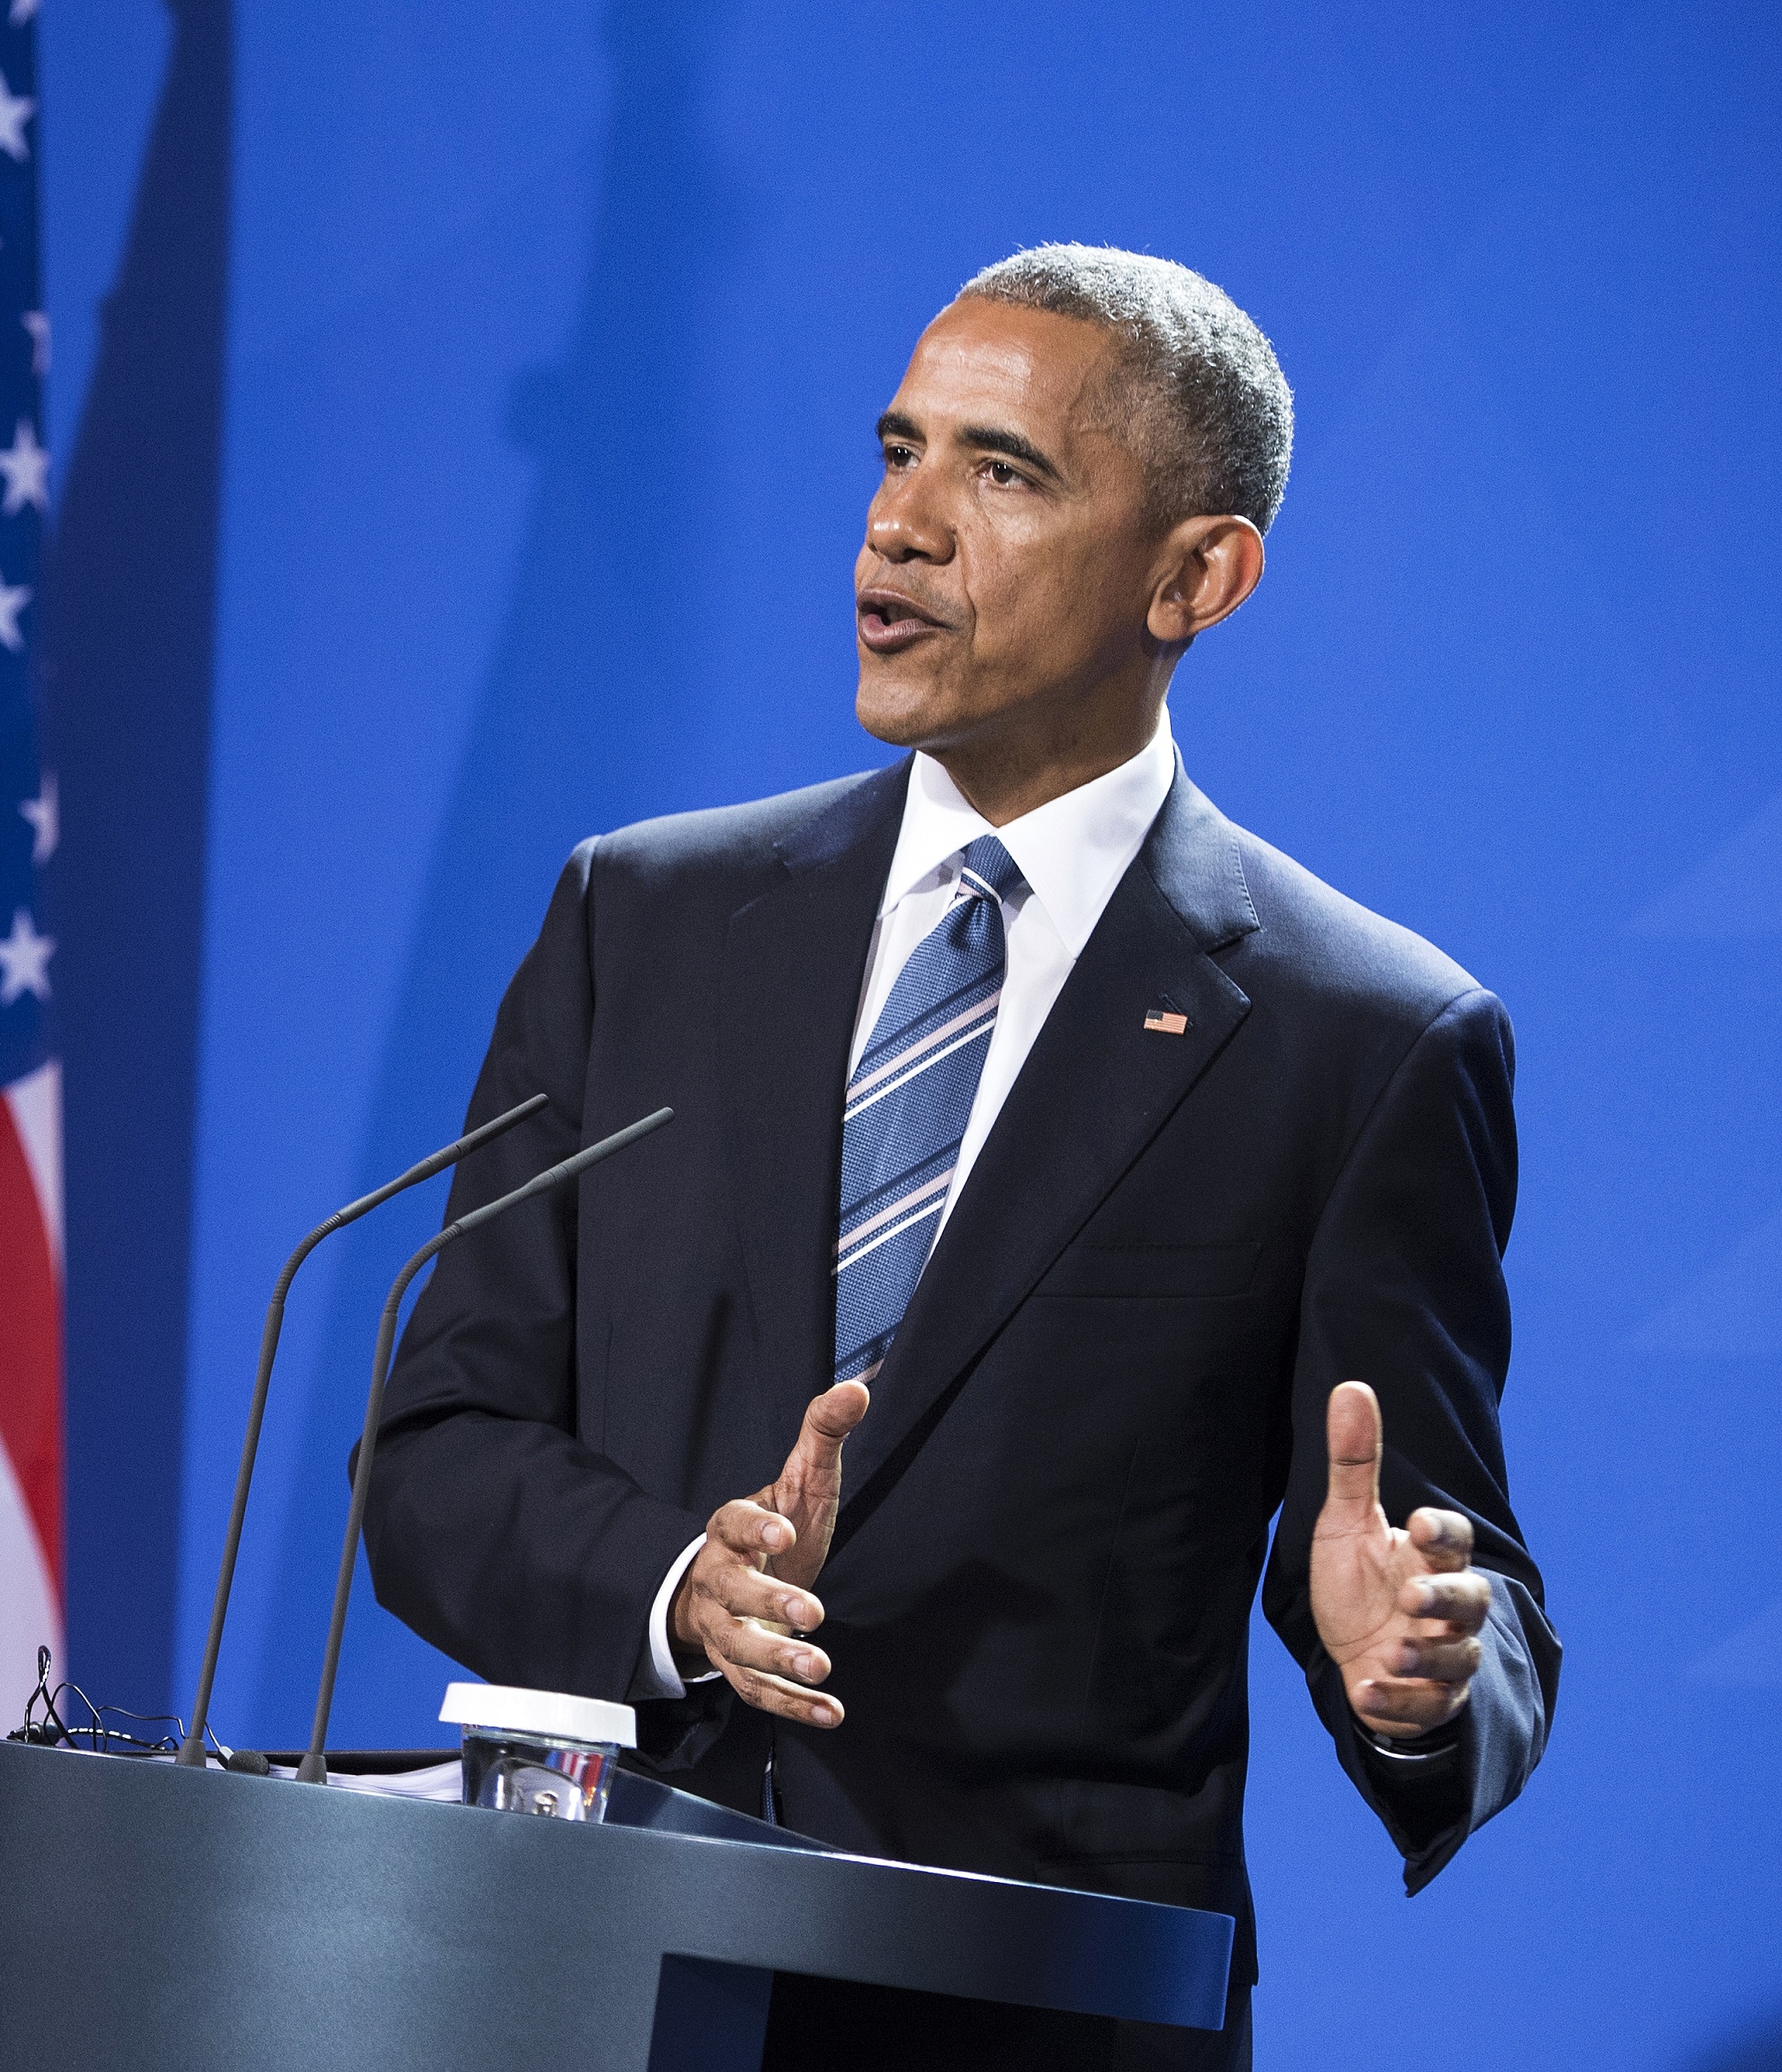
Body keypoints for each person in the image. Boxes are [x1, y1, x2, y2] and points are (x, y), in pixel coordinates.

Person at [363, 245, 1558, 2069]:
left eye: (1001, 473)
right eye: (897, 450)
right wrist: (678, 1589)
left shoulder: (1364, 1037)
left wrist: (1417, 1679)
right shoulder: (648, 920)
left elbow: (1440, 1578)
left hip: (1029, 2015)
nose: (901, 528)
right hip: (584, 1975)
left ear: (1197, 575)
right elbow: (438, 1455)